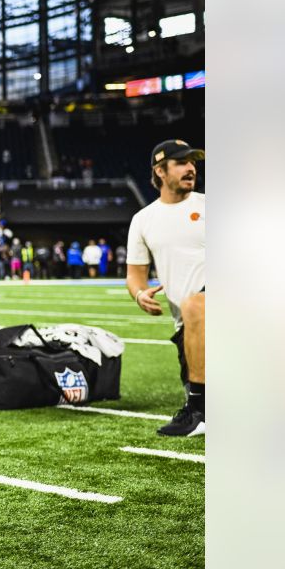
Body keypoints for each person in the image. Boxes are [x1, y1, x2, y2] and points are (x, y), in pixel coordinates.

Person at [127, 139, 206, 437]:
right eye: (182, 162)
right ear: (160, 170)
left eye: (193, 163)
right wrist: (139, 293)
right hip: (189, 329)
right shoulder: (143, 220)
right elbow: (135, 274)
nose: (191, 168)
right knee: (192, 307)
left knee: (197, 302)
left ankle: (199, 411)